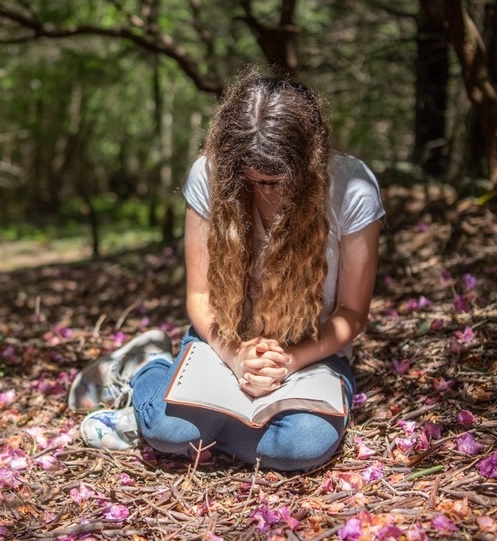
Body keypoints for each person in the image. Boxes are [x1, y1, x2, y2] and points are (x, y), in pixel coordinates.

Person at [68, 70, 385, 472]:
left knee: (301, 446)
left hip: (312, 351)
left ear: (311, 161)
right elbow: (200, 298)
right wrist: (237, 357)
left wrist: (288, 359)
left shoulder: (353, 187)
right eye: (249, 179)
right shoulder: (209, 175)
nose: (266, 192)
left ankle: (184, 429)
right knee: (169, 431)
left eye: (276, 180)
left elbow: (352, 314)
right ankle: (147, 364)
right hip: (224, 340)